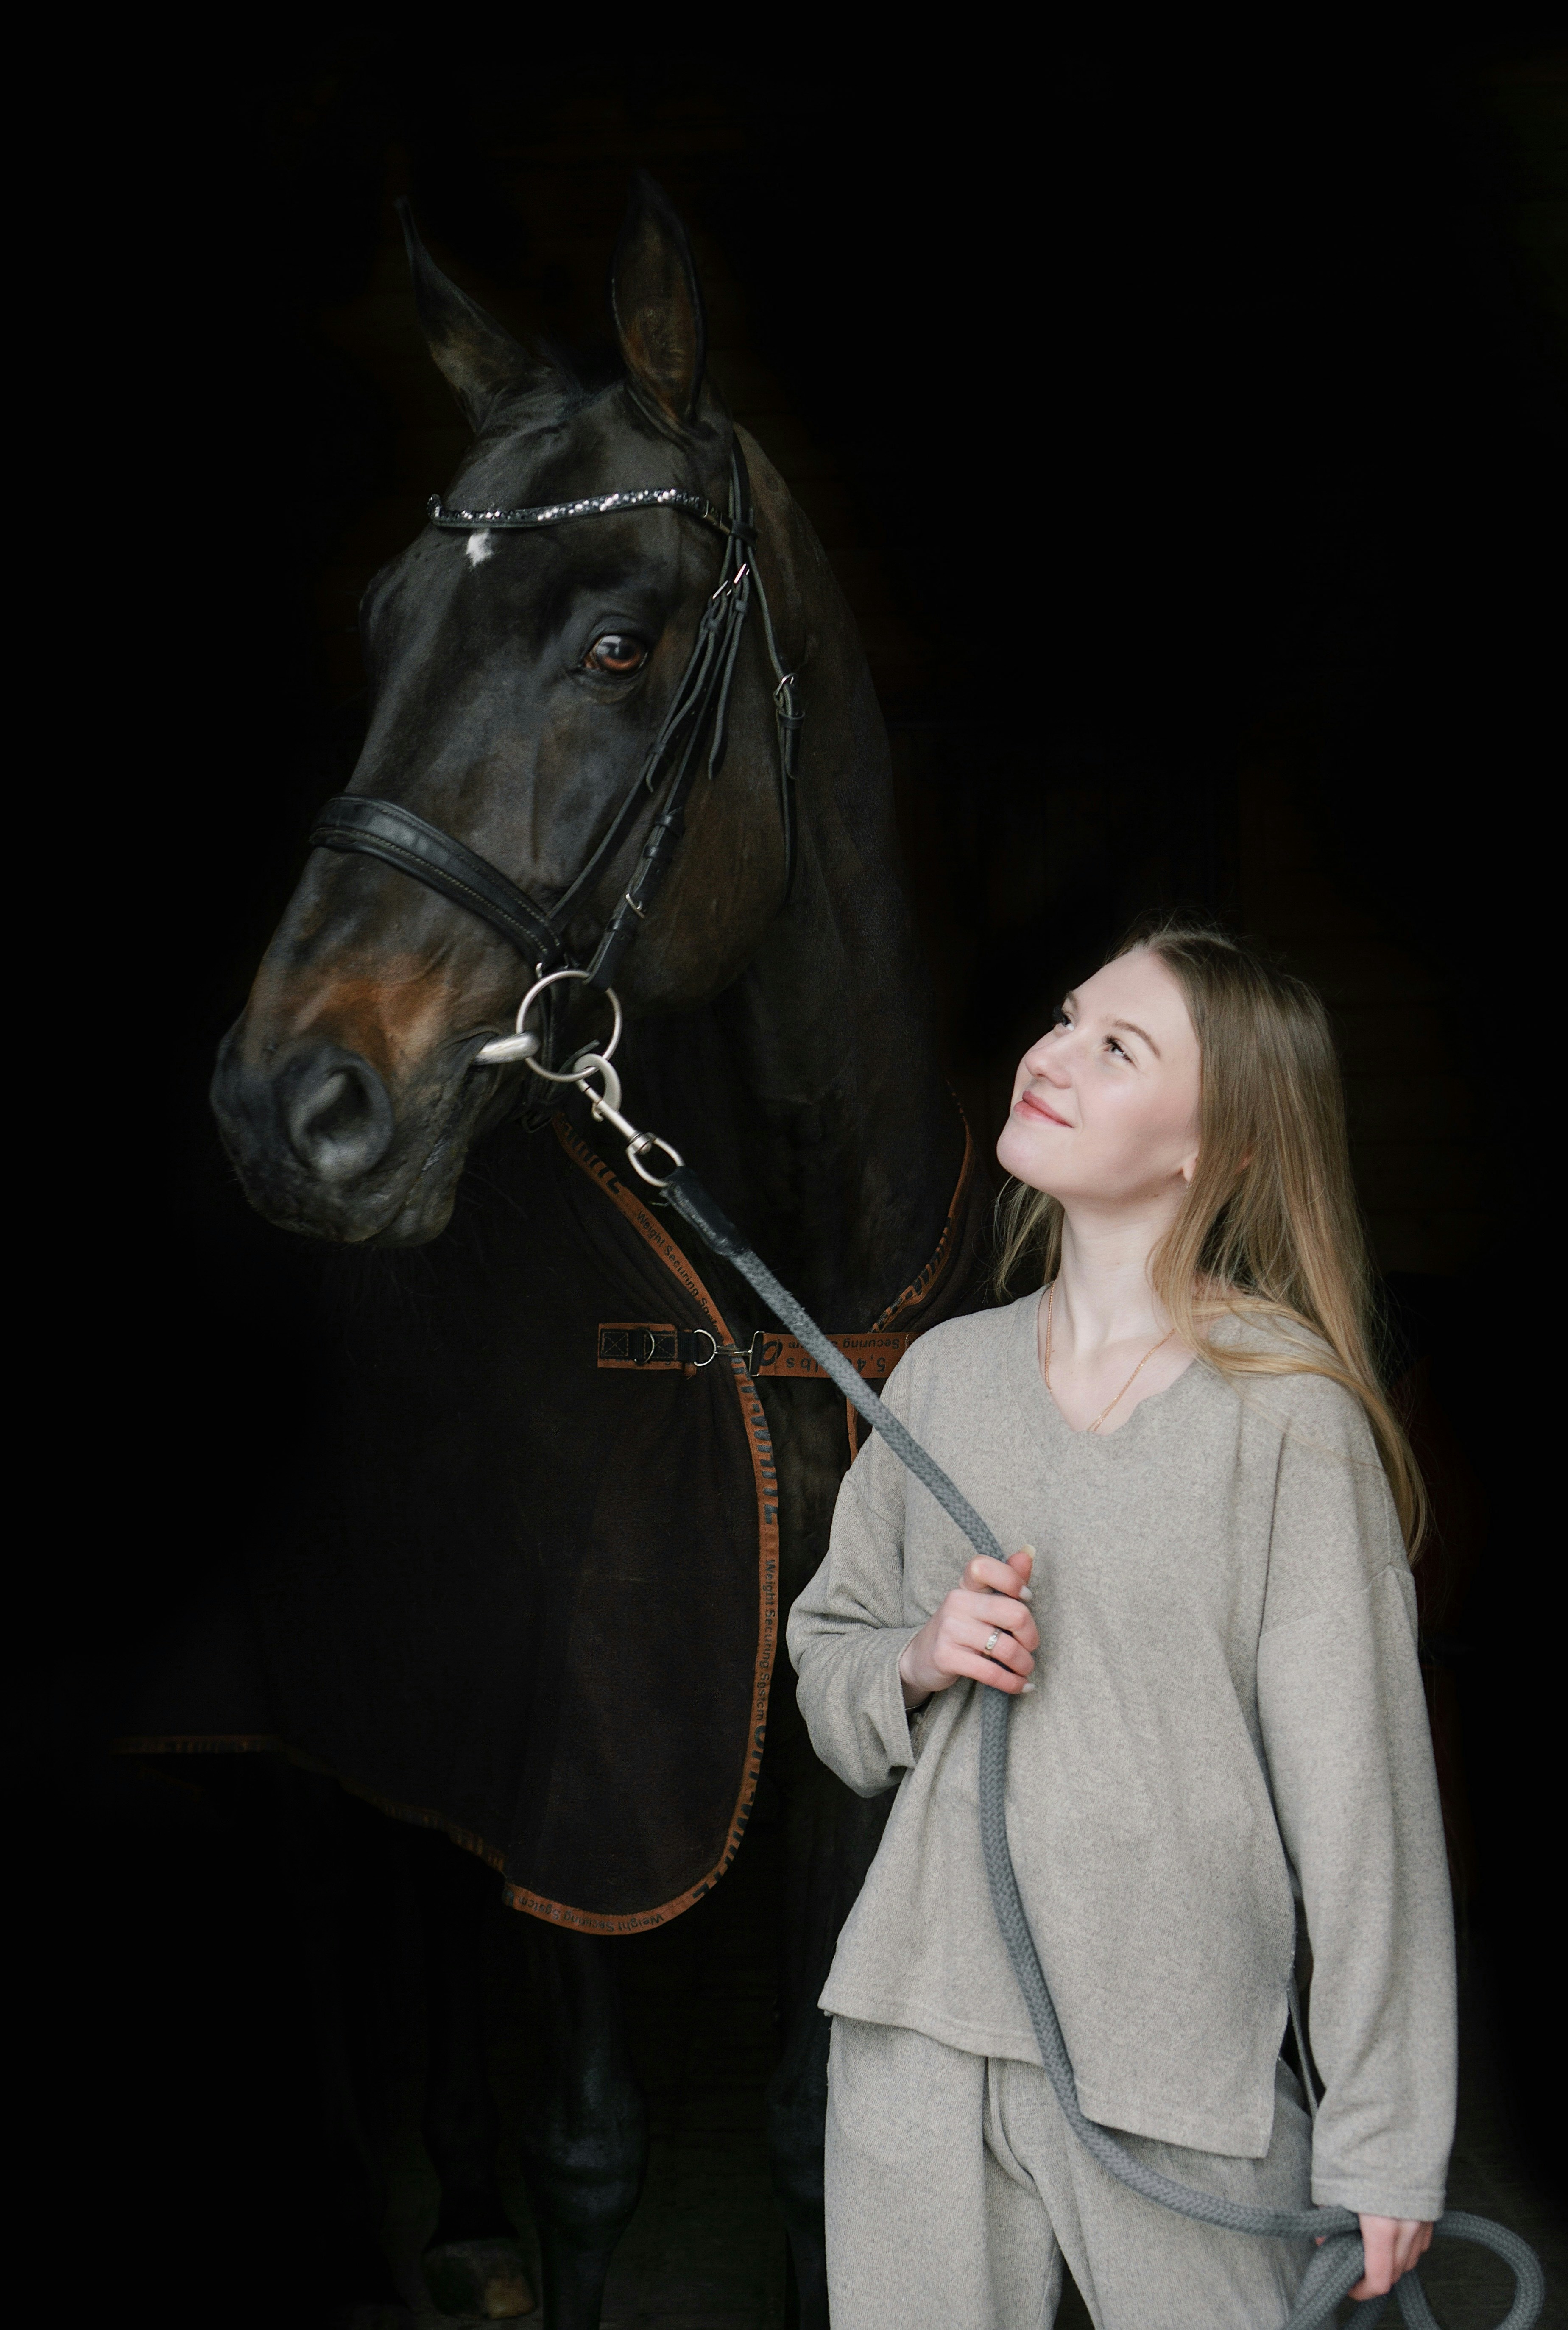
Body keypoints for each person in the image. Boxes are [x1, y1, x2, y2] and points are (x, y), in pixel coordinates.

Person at [787, 923, 1454, 2330]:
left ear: (1217, 1152)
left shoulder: (1289, 1423)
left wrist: (1386, 2132)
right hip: (916, 2029)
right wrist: (914, 1659)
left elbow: (1364, 1812)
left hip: (1177, 2076)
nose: (1054, 1056)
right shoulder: (946, 1381)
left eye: (1119, 1047)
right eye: (1066, 1017)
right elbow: (826, 1647)